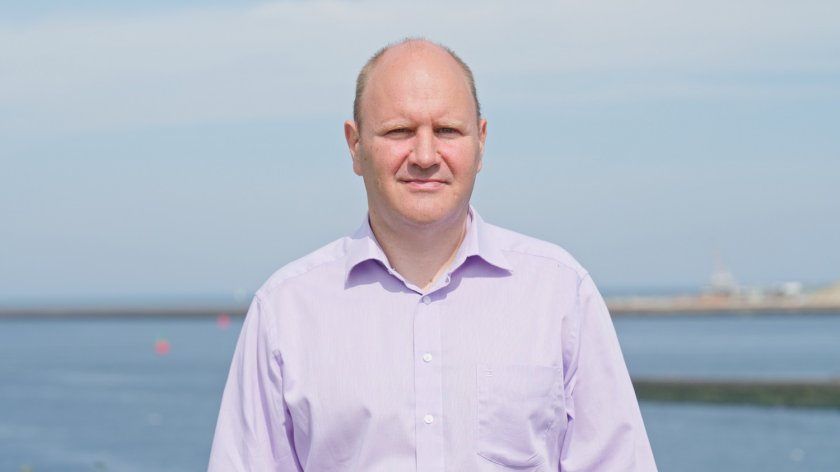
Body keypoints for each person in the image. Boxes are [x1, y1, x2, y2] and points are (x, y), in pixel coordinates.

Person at [208, 38, 657, 471]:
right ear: (355, 145)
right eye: (399, 131)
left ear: (480, 141)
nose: (424, 155)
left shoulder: (560, 294)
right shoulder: (285, 311)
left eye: (446, 130)